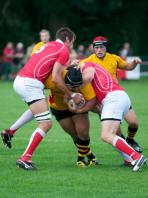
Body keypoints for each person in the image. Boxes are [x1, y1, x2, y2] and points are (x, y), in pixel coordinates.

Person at [1, 27, 82, 170]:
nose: (72, 46)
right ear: (68, 39)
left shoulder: (48, 45)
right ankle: (25, 158)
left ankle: (10, 131)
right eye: (73, 42)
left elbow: (48, 65)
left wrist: (68, 65)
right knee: (46, 123)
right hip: (30, 83)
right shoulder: (63, 49)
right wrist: (72, 95)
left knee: (40, 106)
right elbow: (56, 78)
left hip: (21, 79)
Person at [1, 66, 98, 168]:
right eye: (73, 87)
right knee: (74, 134)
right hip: (59, 109)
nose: (76, 89)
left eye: (78, 86)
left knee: (83, 133)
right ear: (64, 83)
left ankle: (81, 158)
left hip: (77, 108)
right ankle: (90, 156)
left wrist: (80, 110)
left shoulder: (83, 83)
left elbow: (92, 100)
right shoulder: (53, 79)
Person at [68, 63, 147, 172]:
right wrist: (80, 108)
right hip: (120, 96)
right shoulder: (89, 74)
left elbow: (89, 76)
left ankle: (137, 157)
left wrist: (75, 90)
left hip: (112, 98)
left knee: (106, 135)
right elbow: (97, 106)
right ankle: (130, 159)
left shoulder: (86, 64)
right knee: (115, 133)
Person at [80, 36, 142, 153]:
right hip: (104, 101)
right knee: (116, 132)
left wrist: (134, 62)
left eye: (102, 47)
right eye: (97, 47)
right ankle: (129, 156)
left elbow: (128, 67)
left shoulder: (114, 58)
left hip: (117, 95)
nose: (99, 50)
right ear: (93, 48)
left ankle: (130, 140)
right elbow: (78, 69)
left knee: (134, 123)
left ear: (106, 48)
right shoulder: (88, 61)